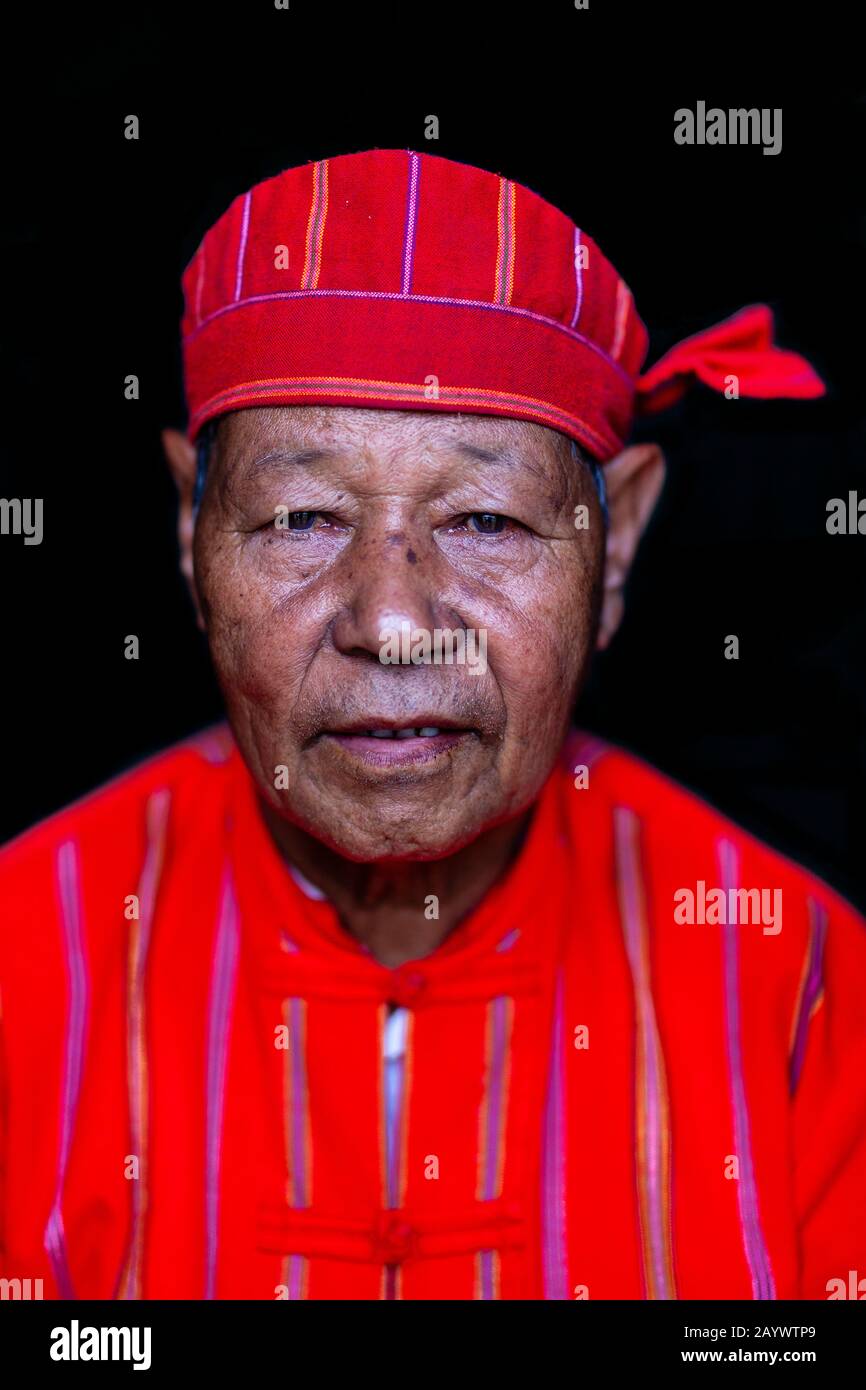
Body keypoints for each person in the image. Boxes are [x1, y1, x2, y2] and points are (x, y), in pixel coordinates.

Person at [1, 149, 863, 1301]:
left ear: (613, 551)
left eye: (487, 518)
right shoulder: (24, 957)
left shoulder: (798, 979)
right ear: (190, 530)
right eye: (302, 515)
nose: (393, 622)